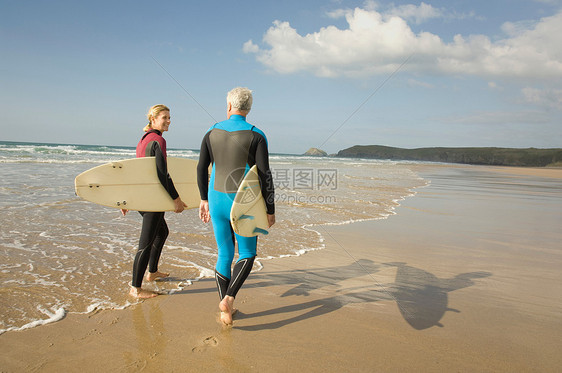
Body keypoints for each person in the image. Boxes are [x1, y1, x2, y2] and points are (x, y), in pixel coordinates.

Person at [197, 87, 275, 325]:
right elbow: (264, 175)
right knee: (248, 253)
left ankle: (225, 312)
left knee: (224, 252)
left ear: (228, 106)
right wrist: (270, 209)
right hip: (242, 202)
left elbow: (201, 168)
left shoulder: (211, 131)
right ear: (249, 108)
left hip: (216, 198)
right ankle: (229, 298)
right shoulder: (257, 135)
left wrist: (203, 199)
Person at [122, 104, 187, 299]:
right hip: (153, 199)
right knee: (146, 243)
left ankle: (152, 272)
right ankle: (136, 288)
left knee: (162, 232)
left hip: (144, 196)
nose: (168, 121)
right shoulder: (158, 140)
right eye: (164, 117)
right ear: (153, 119)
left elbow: (137, 172)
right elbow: (162, 174)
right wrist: (176, 199)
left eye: (169, 117)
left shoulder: (143, 140)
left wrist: (128, 199)